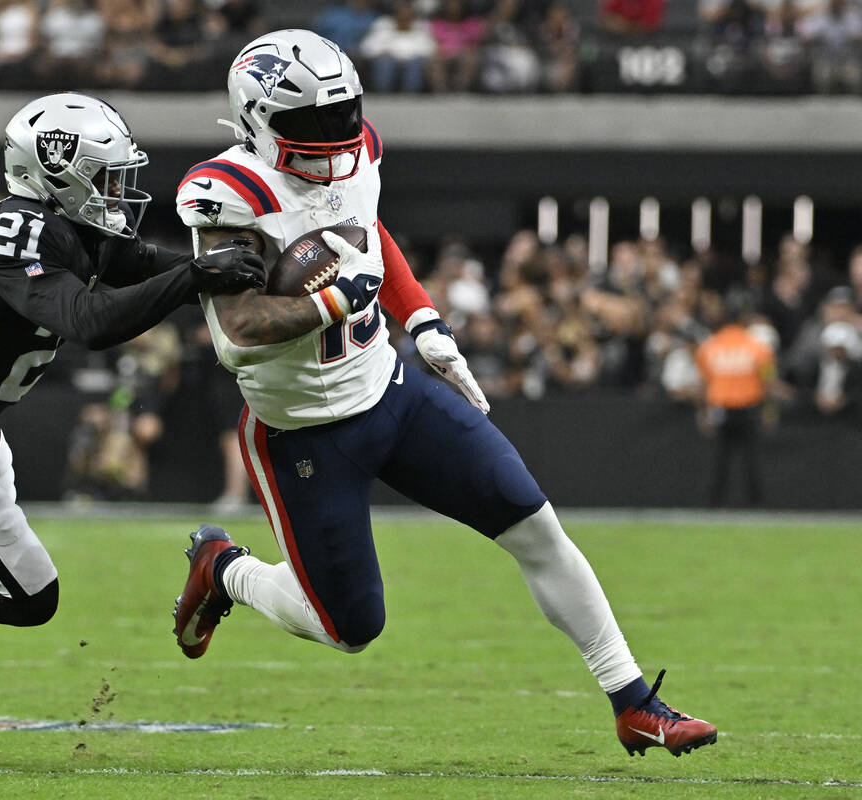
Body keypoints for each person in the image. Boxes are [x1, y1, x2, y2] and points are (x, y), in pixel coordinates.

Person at [171, 30, 717, 759]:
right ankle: (224, 568)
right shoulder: (228, 198)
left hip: (392, 391)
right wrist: (338, 304)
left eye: (342, 116)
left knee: (535, 526)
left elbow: (370, 233)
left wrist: (422, 319)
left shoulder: (358, 153)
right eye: (311, 124)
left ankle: (633, 702)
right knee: (347, 627)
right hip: (303, 430)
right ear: (255, 120)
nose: (334, 139)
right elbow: (237, 334)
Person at [0, 92, 264, 764]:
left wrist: (221, 265)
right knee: (29, 595)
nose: (120, 191)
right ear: (57, 171)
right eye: (107, 176)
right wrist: (198, 278)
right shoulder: (19, 230)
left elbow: (144, 261)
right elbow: (90, 322)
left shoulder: (65, 225)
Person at [695, 296, 776, 506]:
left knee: (720, 461)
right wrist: (770, 410)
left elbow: (702, 384)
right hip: (750, 408)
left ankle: (714, 505)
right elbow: (768, 382)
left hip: (720, 409)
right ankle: (756, 505)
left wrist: (703, 412)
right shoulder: (759, 347)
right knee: (753, 461)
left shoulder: (709, 347)